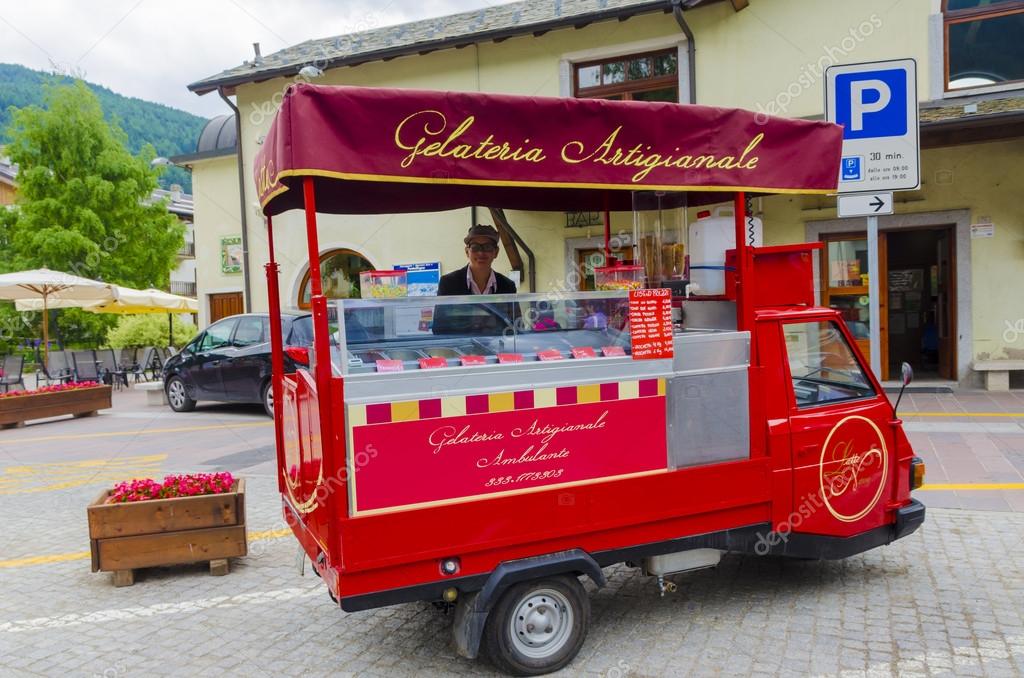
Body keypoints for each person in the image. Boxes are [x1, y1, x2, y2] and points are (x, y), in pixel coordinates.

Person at [437, 224, 517, 296]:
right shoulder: (448, 283)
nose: (481, 253)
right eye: (475, 247)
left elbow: (514, 313)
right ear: (467, 252)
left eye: (488, 247)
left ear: (496, 252)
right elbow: (441, 313)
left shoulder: (508, 286)